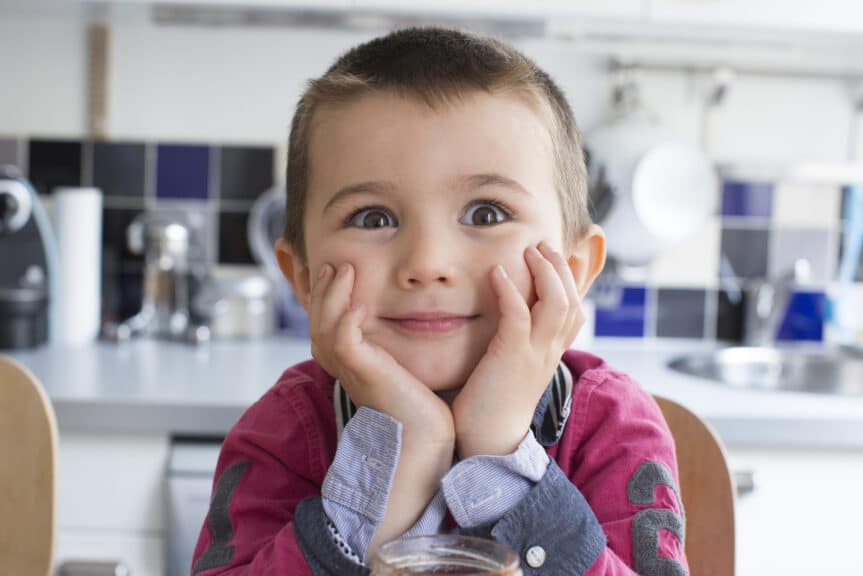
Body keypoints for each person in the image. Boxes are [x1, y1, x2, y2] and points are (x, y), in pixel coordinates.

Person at [191, 26, 688, 576]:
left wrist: (499, 453)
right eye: (373, 217)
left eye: (486, 214)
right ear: (304, 278)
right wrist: (400, 459)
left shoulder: (611, 424)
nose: (426, 262)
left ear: (572, 269)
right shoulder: (284, 430)